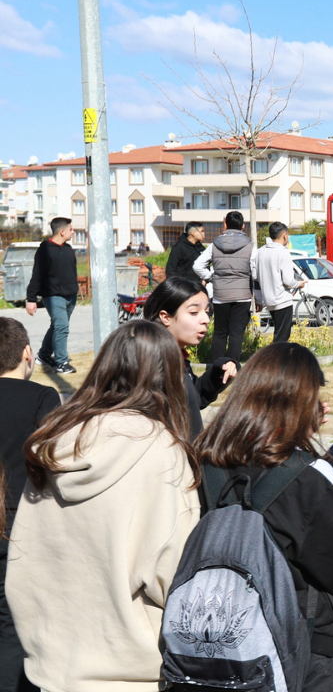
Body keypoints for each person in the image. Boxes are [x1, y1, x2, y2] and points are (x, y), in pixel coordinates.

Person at [9, 320, 199, 692]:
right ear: (169, 378)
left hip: (49, 666)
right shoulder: (163, 453)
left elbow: (27, 554)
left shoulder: (55, 438)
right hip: (128, 671)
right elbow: (177, 576)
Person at [195, 343, 333, 690]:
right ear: (299, 403)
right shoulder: (308, 481)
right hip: (301, 642)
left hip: (215, 633)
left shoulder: (206, 460)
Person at [0, 318, 59, 690]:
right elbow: (53, 459)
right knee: (13, 626)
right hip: (19, 527)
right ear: (27, 354)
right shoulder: (42, 397)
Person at [143, 277, 238, 438]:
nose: (206, 320)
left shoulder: (177, 357)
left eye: (207, 312)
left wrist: (219, 371)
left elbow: (193, 400)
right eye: (194, 312)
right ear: (166, 317)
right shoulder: (152, 364)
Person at [194, 211, 258, 363]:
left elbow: (197, 266)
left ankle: (217, 368)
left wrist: (211, 277)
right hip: (243, 296)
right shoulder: (250, 246)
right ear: (243, 226)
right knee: (236, 333)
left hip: (220, 296)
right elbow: (255, 272)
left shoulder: (214, 245)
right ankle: (232, 367)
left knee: (220, 333)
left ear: (225, 224)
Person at [24, 217, 79, 374]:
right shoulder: (45, 250)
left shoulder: (68, 249)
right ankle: (61, 362)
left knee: (57, 326)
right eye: (71, 229)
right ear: (62, 232)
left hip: (71, 296)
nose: (73, 232)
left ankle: (43, 355)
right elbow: (37, 275)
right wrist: (31, 299)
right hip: (53, 296)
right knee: (62, 327)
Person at [256, 221, 306, 343]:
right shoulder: (283, 252)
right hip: (282, 300)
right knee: (282, 337)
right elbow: (288, 280)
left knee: (278, 334)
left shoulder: (261, 251)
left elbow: (255, 276)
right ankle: (273, 361)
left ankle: (275, 359)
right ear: (284, 235)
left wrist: (258, 299)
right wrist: (299, 284)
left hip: (268, 299)